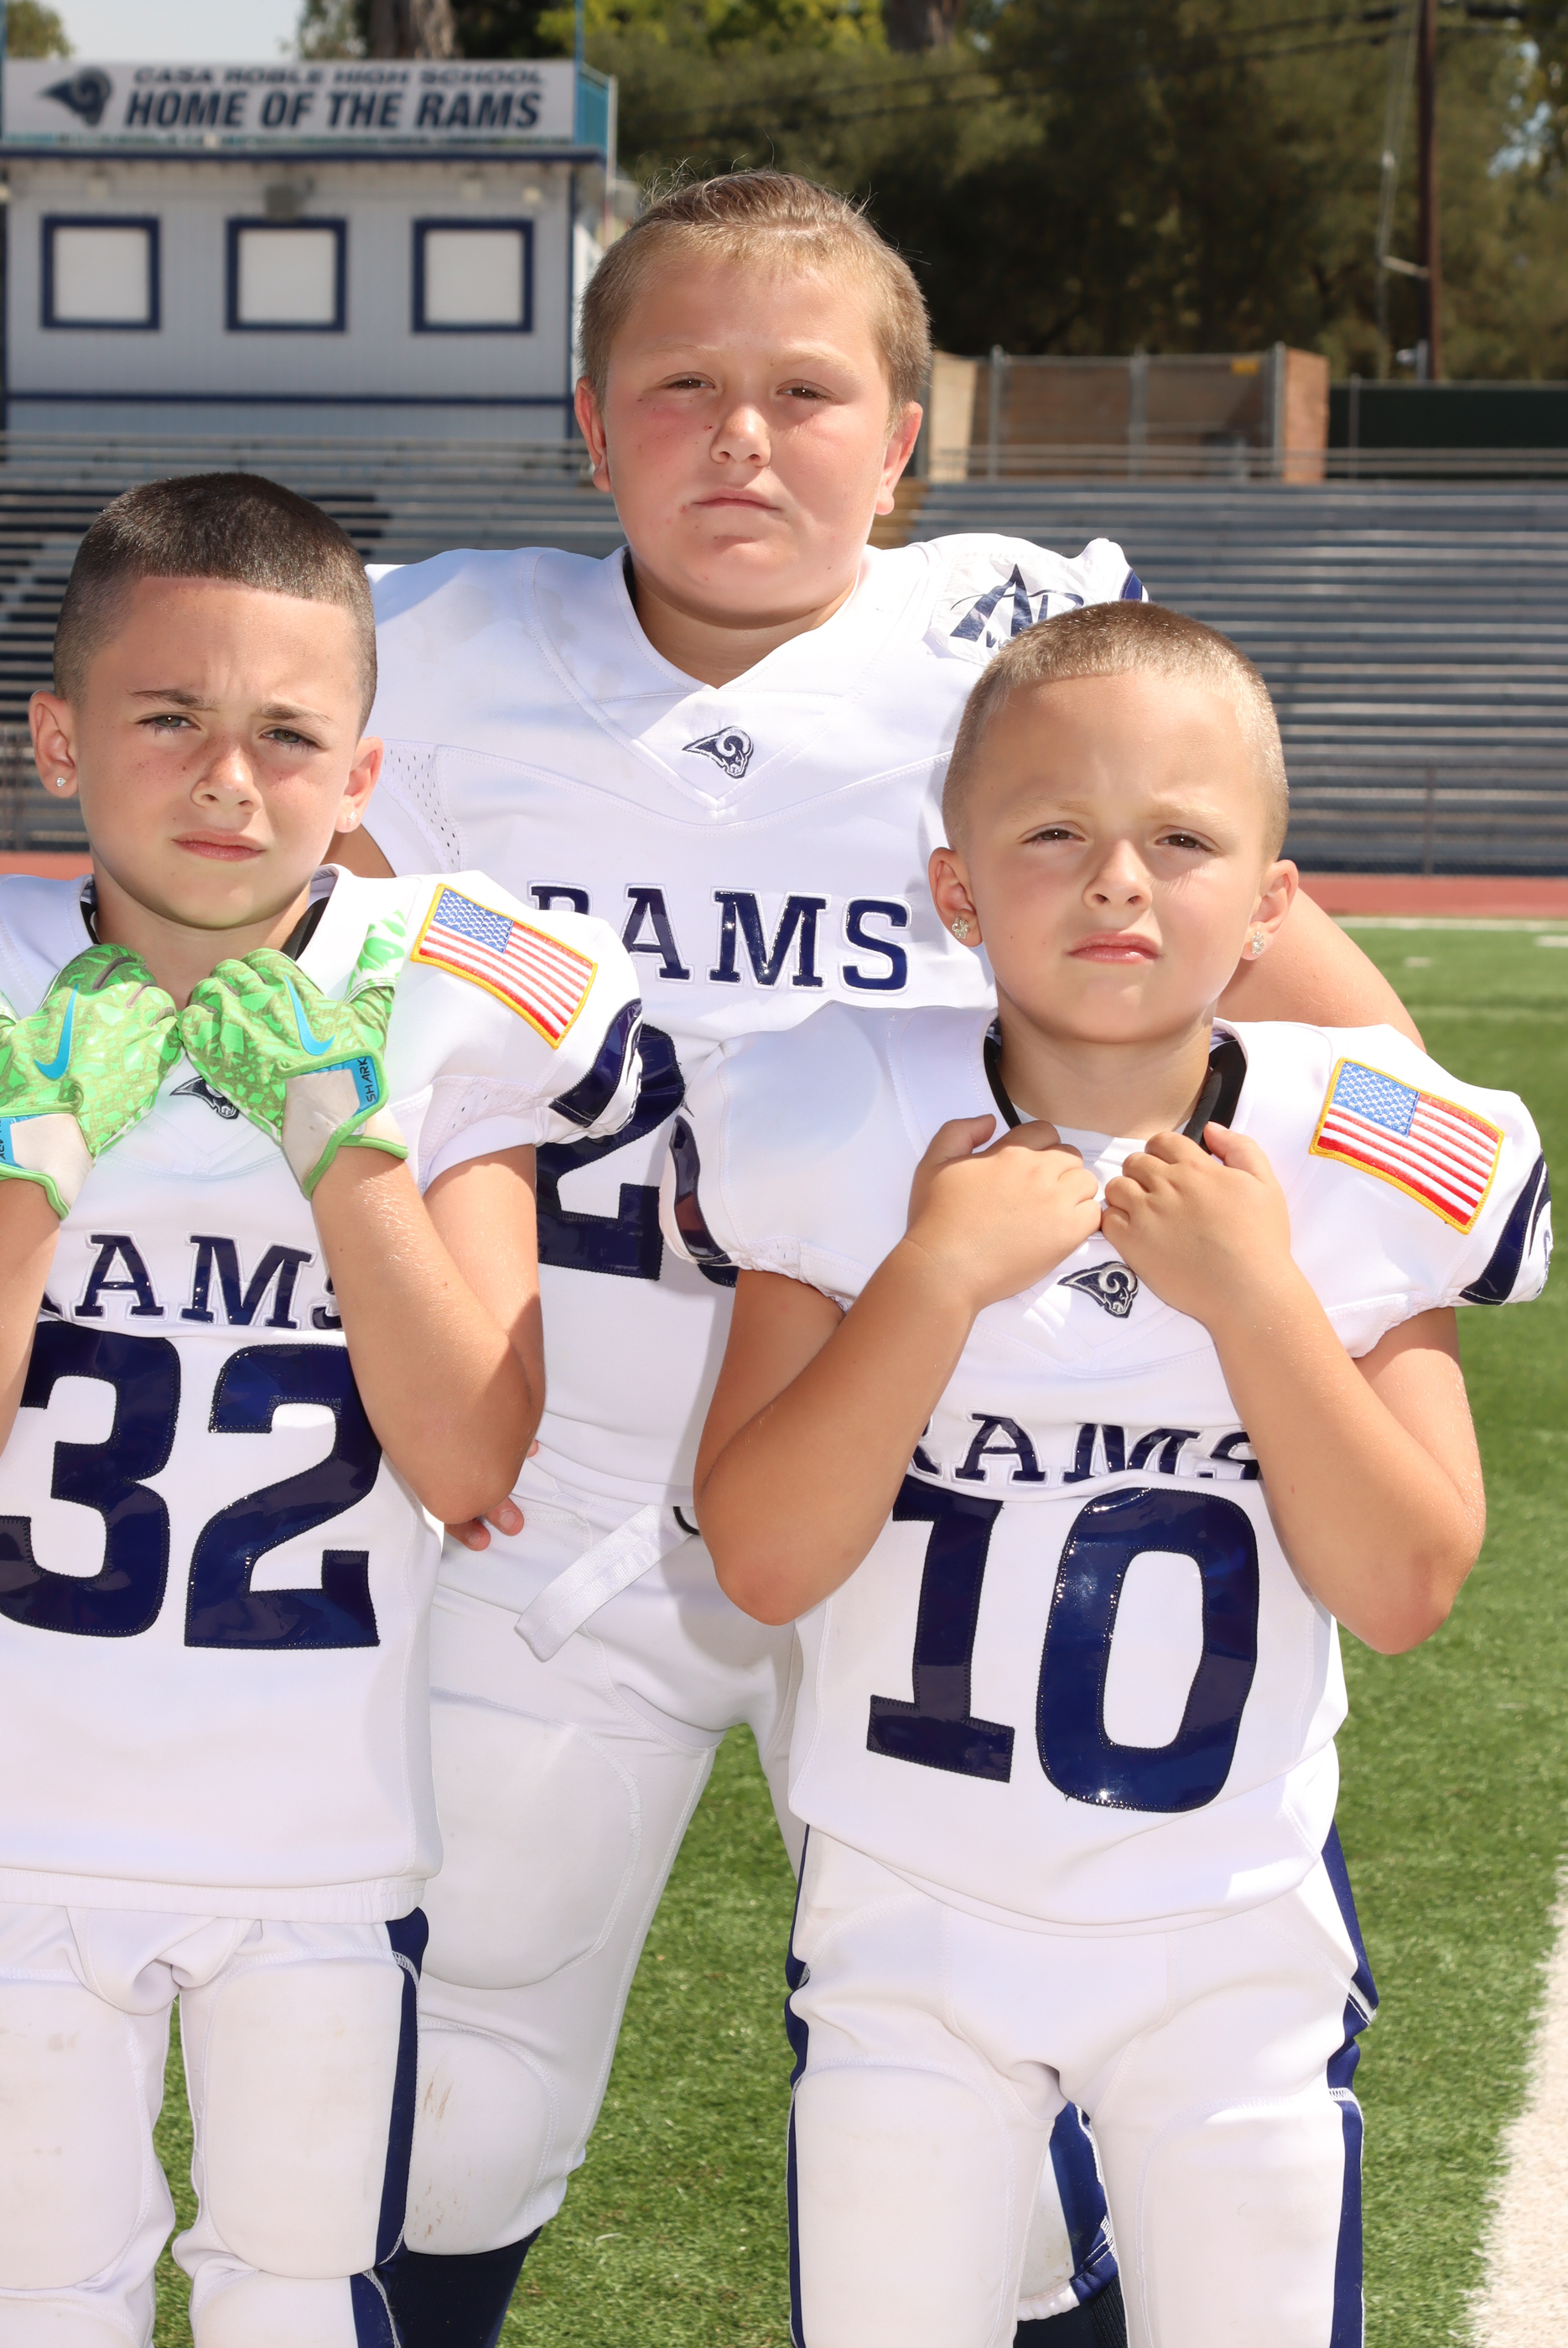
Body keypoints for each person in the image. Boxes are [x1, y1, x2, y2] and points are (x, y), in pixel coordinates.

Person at [330, 171, 1418, 2348]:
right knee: (453, 2076)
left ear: (905, 439)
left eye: (806, 392)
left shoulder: (1007, 662)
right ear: (588, 421)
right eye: (681, 386)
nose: (742, 436)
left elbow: (1347, 1054)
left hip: (956, 1499)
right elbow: (300, 995)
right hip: (567, 1480)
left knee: (1014, 2109)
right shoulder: (428, 663)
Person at [0, 473, 641, 2348]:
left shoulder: (451, 992)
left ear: (362, 770)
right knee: (39, 2301)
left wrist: (350, 1153)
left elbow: (470, 1455)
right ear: (60, 736)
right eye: (169, 716)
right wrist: (29, 1170)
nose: (230, 777)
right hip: (21, 1819)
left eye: (288, 735)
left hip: (322, 1837)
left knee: (300, 2301)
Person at [689, 598, 1550, 2345]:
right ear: (954, 888)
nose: (1117, 883)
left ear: (1271, 901)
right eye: (1053, 833)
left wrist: (1256, 1295)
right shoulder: (845, 1106)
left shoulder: (1363, 1152)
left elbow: (1403, 1585)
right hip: (907, 1918)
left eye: (1181, 839)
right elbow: (762, 1560)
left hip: (1228, 1931)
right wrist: (933, 1275)